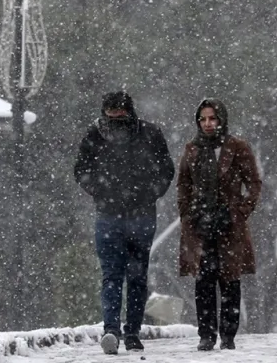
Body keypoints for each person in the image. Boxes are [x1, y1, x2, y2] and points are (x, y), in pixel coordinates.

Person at [74, 91, 175, 354]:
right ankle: (112, 330)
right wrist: (102, 191)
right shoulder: (95, 135)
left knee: (135, 277)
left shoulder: (150, 134)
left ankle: (130, 331)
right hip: (110, 215)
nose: (116, 118)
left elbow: (166, 169)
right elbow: (81, 170)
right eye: (111, 112)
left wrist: (147, 193)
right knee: (114, 275)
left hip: (139, 215)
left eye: (120, 112)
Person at [177, 98, 261, 351]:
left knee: (229, 281)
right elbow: (184, 184)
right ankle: (206, 334)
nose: (208, 123)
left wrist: (239, 211)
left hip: (229, 226)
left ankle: (228, 335)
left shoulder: (237, 147)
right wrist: (188, 213)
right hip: (200, 225)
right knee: (203, 281)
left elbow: (254, 183)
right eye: (203, 119)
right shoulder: (192, 149)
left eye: (212, 118)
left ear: (221, 119)